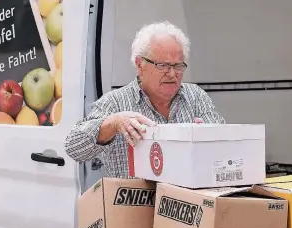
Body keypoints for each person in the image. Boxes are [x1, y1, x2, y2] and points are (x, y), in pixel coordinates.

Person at [64, 21, 226, 178]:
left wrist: (210, 137)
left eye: (178, 66)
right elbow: (73, 147)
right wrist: (113, 124)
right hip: (136, 203)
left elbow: (226, 147)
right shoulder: (115, 103)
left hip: (187, 202)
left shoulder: (195, 96)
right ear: (140, 65)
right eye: (162, 65)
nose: (172, 74)